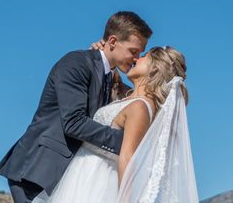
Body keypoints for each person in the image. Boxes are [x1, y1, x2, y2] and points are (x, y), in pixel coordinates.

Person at [0, 11, 152, 203]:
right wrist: (127, 142)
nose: (136, 58)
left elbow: (136, 99)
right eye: (133, 51)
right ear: (112, 41)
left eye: (140, 53)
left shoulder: (110, 77)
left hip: (68, 178)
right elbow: (74, 122)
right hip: (38, 172)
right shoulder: (76, 63)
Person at [32, 45, 198, 203]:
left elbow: (128, 157)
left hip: (98, 182)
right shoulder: (130, 99)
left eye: (144, 57)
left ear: (154, 68)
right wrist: (104, 53)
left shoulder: (140, 107)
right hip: (82, 173)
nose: (136, 58)